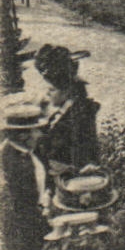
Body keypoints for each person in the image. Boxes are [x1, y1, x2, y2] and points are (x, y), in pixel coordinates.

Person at [32, 43, 100, 178]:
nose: (47, 94)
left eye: (51, 90)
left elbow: (81, 157)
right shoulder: (66, 111)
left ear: (68, 91)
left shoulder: (79, 117)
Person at [2, 102, 50, 250]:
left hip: (37, 229)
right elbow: (9, 211)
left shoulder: (31, 152)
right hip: (23, 241)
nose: (40, 134)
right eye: (36, 130)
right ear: (23, 135)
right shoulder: (8, 162)